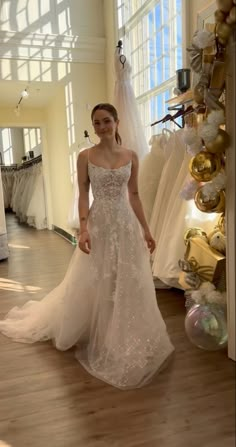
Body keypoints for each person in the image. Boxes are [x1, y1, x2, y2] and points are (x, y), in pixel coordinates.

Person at [0, 103, 174, 390]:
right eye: (96, 123)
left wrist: (146, 229)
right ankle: (100, 329)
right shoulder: (85, 157)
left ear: (117, 123)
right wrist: (83, 228)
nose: (102, 127)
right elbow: (82, 194)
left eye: (106, 121)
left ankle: (123, 330)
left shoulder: (131, 156)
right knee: (95, 278)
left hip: (126, 225)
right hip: (99, 224)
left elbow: (134, 195)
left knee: (127, 278)